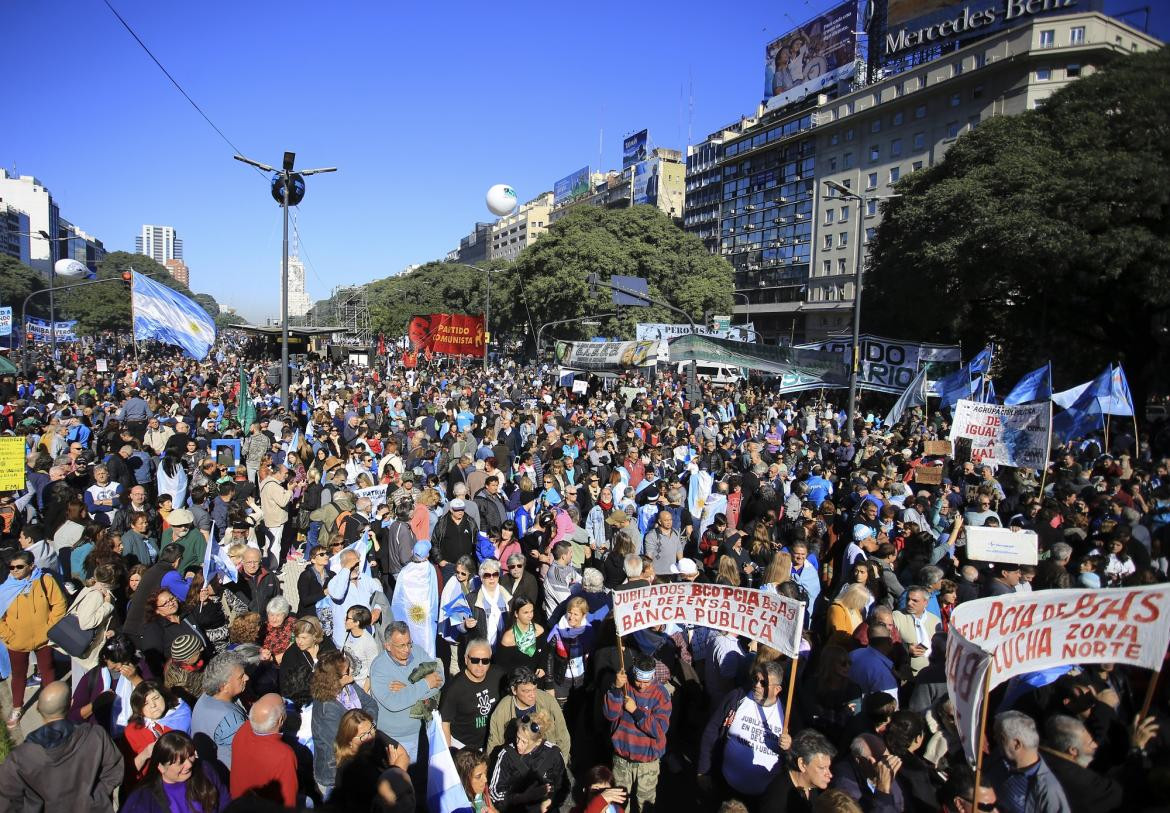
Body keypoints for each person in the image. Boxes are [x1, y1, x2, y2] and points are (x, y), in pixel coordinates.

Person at [0, 681, 124, 811]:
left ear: (37, 707)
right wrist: (97, 797)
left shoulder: (20, 758)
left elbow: (6, 800)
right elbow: (115, 770)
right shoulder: (96, 736)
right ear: (70, 704)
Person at [698, 661, 794, 799]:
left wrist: (790, 746)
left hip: (763, 796)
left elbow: (799, 756)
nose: (757, 685)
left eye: (764, 683)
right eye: (755, 679)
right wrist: (703, 769)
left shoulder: (787, 714)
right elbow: (712, 731)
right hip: (725, 785)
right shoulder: (737, 697)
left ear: (778, 689)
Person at [0, 550, 66, 729]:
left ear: (31, 566)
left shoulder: (45, 581)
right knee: (18, 675)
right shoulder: (5, 588)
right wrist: (9, 636)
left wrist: (50, 629)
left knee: (48, 669)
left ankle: (50, 707)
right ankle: (17, 707)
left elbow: (59, 604)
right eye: (11, 567)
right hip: (17, 642)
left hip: (44, 639)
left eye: (19, 567)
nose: (14, 570)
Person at [603, 653, 672, 813]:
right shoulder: (624, 686)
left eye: (646, 682)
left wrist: (636, 711)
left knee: (645, 805)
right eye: (638, 681)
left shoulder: (661, 695)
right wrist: (615, 688)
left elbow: (659, 729)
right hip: (622, 760)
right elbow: (610, 715)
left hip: (647, 763)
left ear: (653, 676)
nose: (641, 685)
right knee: (619, 804)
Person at [369, 621, 444, 762]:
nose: (407, 649)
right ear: (388, 646)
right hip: (395, 739)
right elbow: (394, 703)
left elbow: (439, 678)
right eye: (401, 645)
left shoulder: (418, 651)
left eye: (409, 643)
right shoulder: (379, 668)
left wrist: (408, 689)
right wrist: (426, 683)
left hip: (423, 732)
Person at [310, 649, 379, 797]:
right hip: (335, 776)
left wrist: (363, 726)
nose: (352, 671)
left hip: (356, 764)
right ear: (334, 680)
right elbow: (339, 744)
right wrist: (362, 727)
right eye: (347, 671)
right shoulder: (327, 709)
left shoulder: (349, 686)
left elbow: (371, 704)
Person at [121, 730, 230, 813]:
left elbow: (225, 803)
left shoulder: (205, 770)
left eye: (191, 755)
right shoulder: (142, 799)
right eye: (181, 762)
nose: (189, 764)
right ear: (161, 767)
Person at [985, 711, 1071, 813]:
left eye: (1001, 737)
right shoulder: (997, 760)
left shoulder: (1049, 790)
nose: (995, 740)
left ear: (1016, 744)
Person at [487, 667, 572, 769]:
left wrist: (560, 766)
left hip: (549, 761)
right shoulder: (502, 710)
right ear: (514, 690)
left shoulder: (548, 701)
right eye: (526, 691)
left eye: (534, 689)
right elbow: (494, 744)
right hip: (518, 766)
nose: (532, 695)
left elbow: (563, 736)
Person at [487, 709, 567, 813]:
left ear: (538, 741)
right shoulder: (506, 755)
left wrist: (550, 800)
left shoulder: (553, 754)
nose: (518, 744)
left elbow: (562, 786)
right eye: (517, 738)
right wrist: (523, 797)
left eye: (524, 742)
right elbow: (495, 793)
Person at [228, 692, 298, 806]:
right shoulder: (284, 755)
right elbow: (289, 803)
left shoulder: (242, 730)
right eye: (284, 705)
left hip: (238, 804)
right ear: (280, 720)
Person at [122, 681, 193, 789]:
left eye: (156, 698)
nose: (153, 705)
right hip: (150, 788)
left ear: (163, 696)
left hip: (185, 781)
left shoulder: (182, 714)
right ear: (139, 708)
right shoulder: (132, 731)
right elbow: (125, 772)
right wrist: (145, 754)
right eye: (145, 703)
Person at [441, 637, 505, 750]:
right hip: (463, 746)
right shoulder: (454, 687)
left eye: (485, 661)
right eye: (475, 660)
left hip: (492, 742)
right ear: (466, 659)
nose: (480, 665)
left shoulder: (498, 675)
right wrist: (449, 752)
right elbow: (445, 722)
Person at [190, 651, 249, 772]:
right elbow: (248, 752)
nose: (247, 678)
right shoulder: (230, 720)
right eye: (241, 676)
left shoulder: (206, 696)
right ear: (224, 686)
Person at [758, 729, 837, 813]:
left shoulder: (812, 787)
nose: (830, 774)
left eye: (828, 767)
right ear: (802, 764)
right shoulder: (777, 799)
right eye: (822, 768)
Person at [280, 616, 336, 707]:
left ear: (315, 635)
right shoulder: (291, 655)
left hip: (330, 695)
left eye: (304, 638)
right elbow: (287, 686)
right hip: (304, 702)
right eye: (297, 637)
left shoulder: (327, 646)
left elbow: (335, 671)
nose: (299, 642)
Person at [455, 746, 499, 813]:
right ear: (463, 778)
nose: (485, 780)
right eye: (478, 776)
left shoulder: (483, 790)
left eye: (485, 772)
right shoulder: (458, 806)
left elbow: (493, 809)